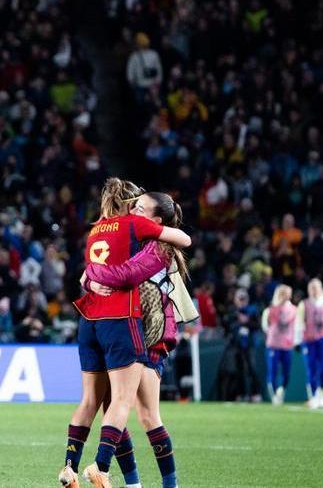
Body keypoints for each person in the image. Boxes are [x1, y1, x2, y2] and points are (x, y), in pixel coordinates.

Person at [64, 177, 192, 488]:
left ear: (155, 218)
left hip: (150, 332)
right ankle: (132, 483)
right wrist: (90, 280)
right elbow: (89, 273)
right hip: (126, 323)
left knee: (147, 415)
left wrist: (94, 277)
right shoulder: (137, 236)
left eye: (140, 207)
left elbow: (126, 274)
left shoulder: (160, 246)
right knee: (114, 407)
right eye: (133, 204)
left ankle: (168, 484)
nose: (134, 209)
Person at [296, 279, 323, 408]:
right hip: (309, 340)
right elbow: (299, 322)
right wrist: (298, 340)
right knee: (311, 369)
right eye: (311, 288)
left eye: (316, 287)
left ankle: (321, 392)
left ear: (321, 288)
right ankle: (312, 395)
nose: (313, 290)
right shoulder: (304, 304)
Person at [262, 284, 297, 405]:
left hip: (287, 345)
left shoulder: (294, 310)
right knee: (272, 371)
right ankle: (275, 395)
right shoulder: (270, 309)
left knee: (286, 373)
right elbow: (265, 326)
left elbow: (297, 327)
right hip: (273, 344)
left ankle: (281, 390)